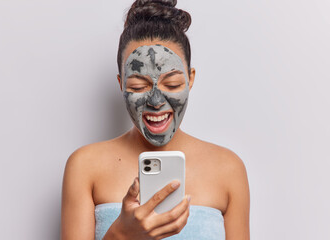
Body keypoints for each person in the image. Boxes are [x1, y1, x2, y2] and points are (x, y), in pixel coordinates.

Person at [61, 0, 250, 239]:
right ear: (121, 84)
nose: (156, 101)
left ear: (190, 79)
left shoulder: (228, 169)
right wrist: (120, 236)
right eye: (138, 86)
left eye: (172, 84)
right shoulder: (85, 166)